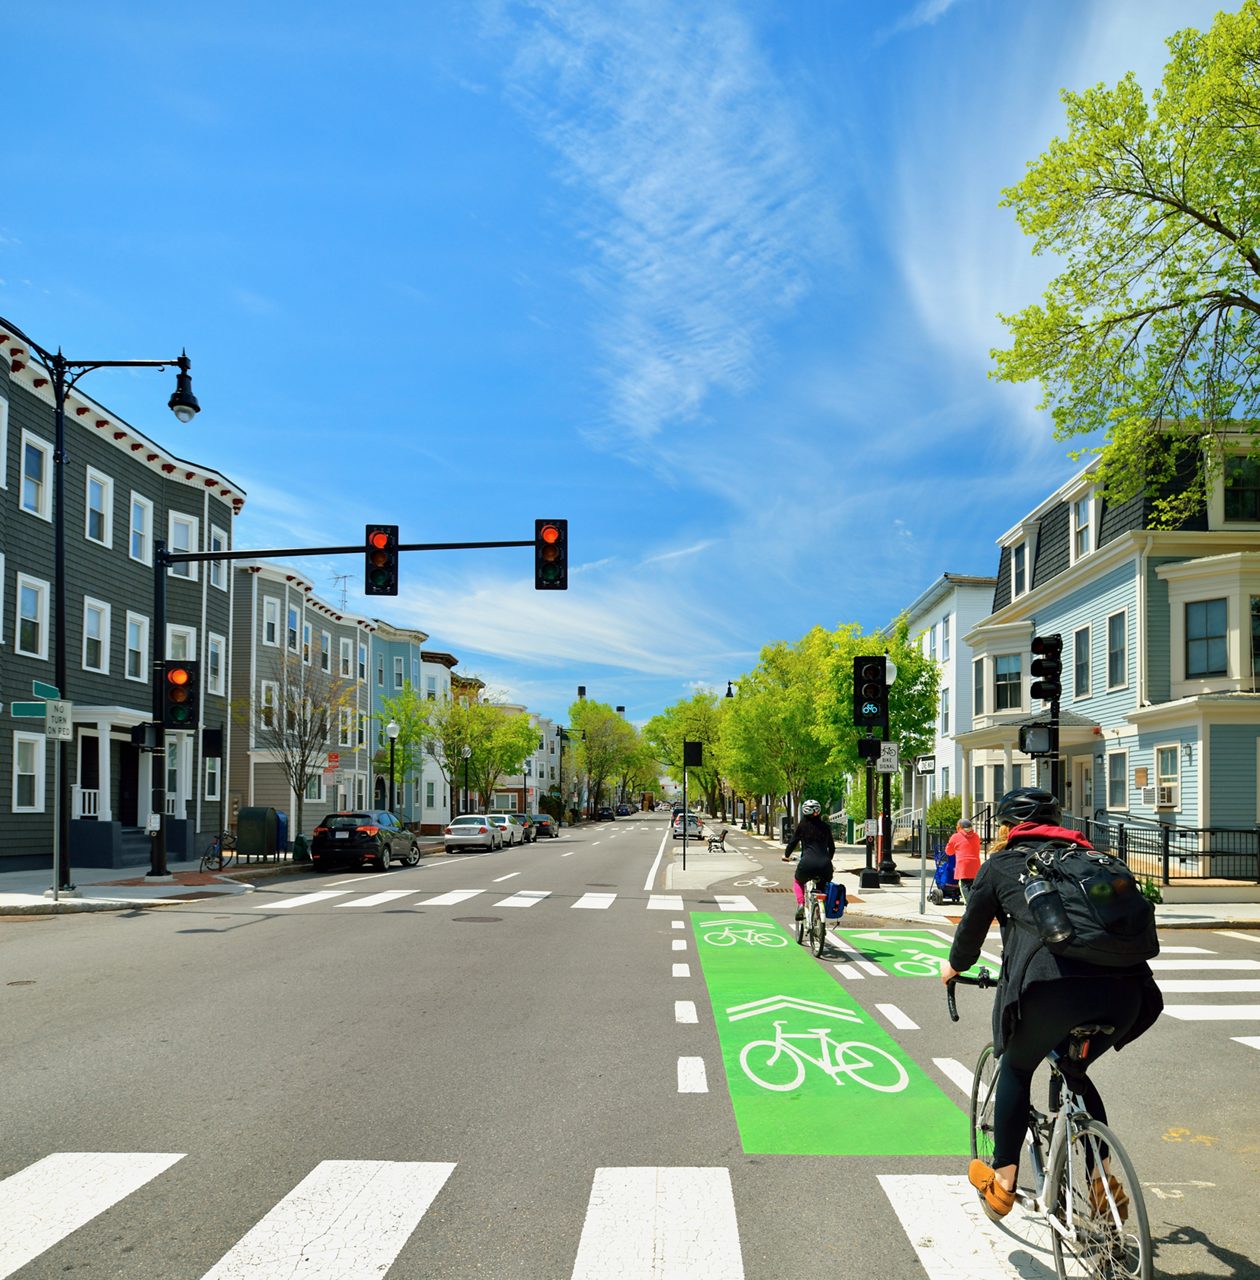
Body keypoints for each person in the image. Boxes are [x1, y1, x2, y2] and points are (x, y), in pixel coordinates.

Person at [940, 787, 1162, 1222]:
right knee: (1074, 1070)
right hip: (1127, 994)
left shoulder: (1003, 865)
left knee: (1017, 1067)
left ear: (1007, 828)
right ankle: (1102, 1177)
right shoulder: (1095, 860)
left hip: (1053, 990)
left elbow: (970, 934)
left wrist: (953, 968)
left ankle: (1003, 1182)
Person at [781, 800, 836, 921]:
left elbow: (793, 842)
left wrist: (786, 854)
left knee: (798, 881)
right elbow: (832, 848)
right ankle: (819, 912)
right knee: (823, 886)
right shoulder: (826, 827)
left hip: (807, 863)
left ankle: (801, 903)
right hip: (825, 865)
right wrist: (828, 860)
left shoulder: (802, 826)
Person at [946, 817, 981, 902]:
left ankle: (969, 906)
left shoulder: (955, 837)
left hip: (963, 866)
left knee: (964, 886)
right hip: (975, 865)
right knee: (973, 887)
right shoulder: (976, 836)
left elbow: (948, 852)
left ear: (959, 827)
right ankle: (974, 904)